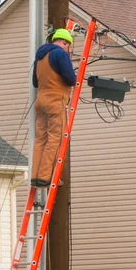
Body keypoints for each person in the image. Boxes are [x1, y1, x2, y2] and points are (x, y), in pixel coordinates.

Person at [31, 28, 76, 188]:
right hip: (56, 100)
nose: (68, 49)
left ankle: (35, 176)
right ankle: (45, 177)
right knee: (55, 138)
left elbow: (35, 83)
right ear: (64, 42)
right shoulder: (60, 54)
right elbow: (70, 78)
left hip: (41, 100)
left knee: (40, 139)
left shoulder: (40, 57)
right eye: (68, 45)